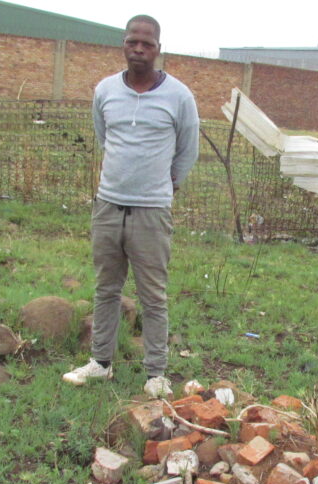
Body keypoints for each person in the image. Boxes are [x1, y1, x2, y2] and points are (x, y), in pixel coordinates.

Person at [63, 14, 199, 398]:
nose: (138, 49)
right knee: (106, 288)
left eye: (147, 43)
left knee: (153, 294)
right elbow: (105, 137)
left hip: (152, 212)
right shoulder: (105, 90)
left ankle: (156, 372)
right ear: (124, 45)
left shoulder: (179, 96)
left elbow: (187, 151)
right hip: (108, 207)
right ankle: (100, 364)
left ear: (158, 48)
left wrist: (165, 186)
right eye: (132, 42)